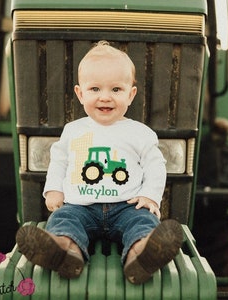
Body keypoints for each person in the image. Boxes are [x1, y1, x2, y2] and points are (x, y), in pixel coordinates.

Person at [16, 40, 183, 284]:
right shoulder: (73, 131)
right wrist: (54, 189)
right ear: (80, 93)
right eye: (95, 89)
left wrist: (149, 196)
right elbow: (60, 160)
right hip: (80, 205)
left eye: (116, 89)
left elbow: (155, 166)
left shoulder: (140, 132)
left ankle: (143, 255)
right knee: (63, 220)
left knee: (144, 222)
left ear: (131, 94)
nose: (105, 97)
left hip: (126, 206)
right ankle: (64, 252)